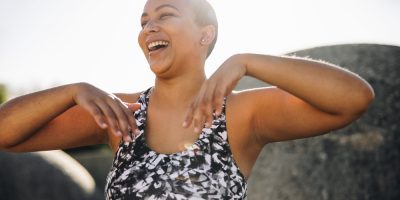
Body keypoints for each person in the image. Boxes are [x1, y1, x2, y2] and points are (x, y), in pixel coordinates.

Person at [0, 0, 374, 199]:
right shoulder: (121, 116)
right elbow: (5, 133)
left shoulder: (241, 114)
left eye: (165, 15)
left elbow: (354, 98)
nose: (150, 27)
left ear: (205, 35)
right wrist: (71, 91)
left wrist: (247, 62)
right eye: (144, 20)